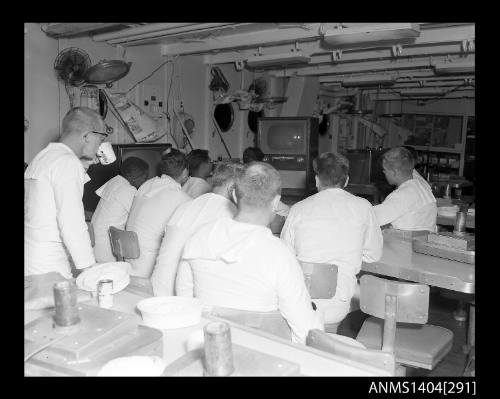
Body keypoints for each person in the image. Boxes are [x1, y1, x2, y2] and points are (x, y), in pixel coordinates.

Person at [176, 162, 323, 344]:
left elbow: (183, 303)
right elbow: (307, 331)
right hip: (266, 356)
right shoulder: (279, 254)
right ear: (276, 202)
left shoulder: (198, 238)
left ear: (235, 195)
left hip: (211, 347)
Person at [281, 152, 383, 331]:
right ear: (346, 180)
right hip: (338, 301)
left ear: (317, 180)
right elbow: (373, 255)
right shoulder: (364, 207)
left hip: (301, 300)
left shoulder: (298, 209)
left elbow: (285, 257)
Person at [25, 107, 107, 278]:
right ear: (87, 136)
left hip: (32, 256)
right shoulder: (67, 162)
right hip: (49, 263)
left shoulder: (42, 157)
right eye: (100, 139)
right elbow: (72, 222)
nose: (100, 147)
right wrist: (90, 269)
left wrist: (83, 165)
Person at [150, 162, 244, 296]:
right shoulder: (231, 216)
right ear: (232, 188)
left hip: (157, 291)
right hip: (186, 302)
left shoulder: (185, 206)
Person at [125, 149, 191, 278]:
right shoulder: (180, 197)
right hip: (148, 260)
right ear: (184, 172)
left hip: (128, 253)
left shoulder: (147, 184)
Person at [91, 157, 149, 262]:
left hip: (94, 243)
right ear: (134, 177)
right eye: (144, 178)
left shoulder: (114, 181)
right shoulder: (128, 190)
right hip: (107, 248)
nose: (144, 182)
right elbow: (142, 218)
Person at [373, 147, 437, 231]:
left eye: (384, 170)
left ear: (394, 172)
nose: (383, 172)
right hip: (423, 241)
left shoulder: (401, 195)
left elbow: (372, 218)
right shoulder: (422, 187)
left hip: (404, 242)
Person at [242, 146, 290, 218]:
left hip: (245, 203)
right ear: (260, 160)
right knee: (286, 210)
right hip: (258, 202)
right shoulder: (263, 171)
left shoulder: (240, 170)